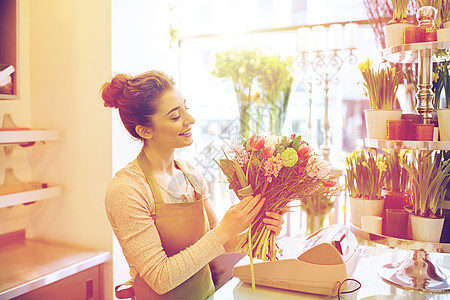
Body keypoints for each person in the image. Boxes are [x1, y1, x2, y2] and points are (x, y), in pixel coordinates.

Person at [101, 70, 285, 300]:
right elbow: (160, 278)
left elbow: (221, 243)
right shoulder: (127, 190)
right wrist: (225, 229)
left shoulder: (190, 174)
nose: (190, 120)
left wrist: (260, 231)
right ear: (145, 130)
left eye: (185, 108)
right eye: (175, 117)